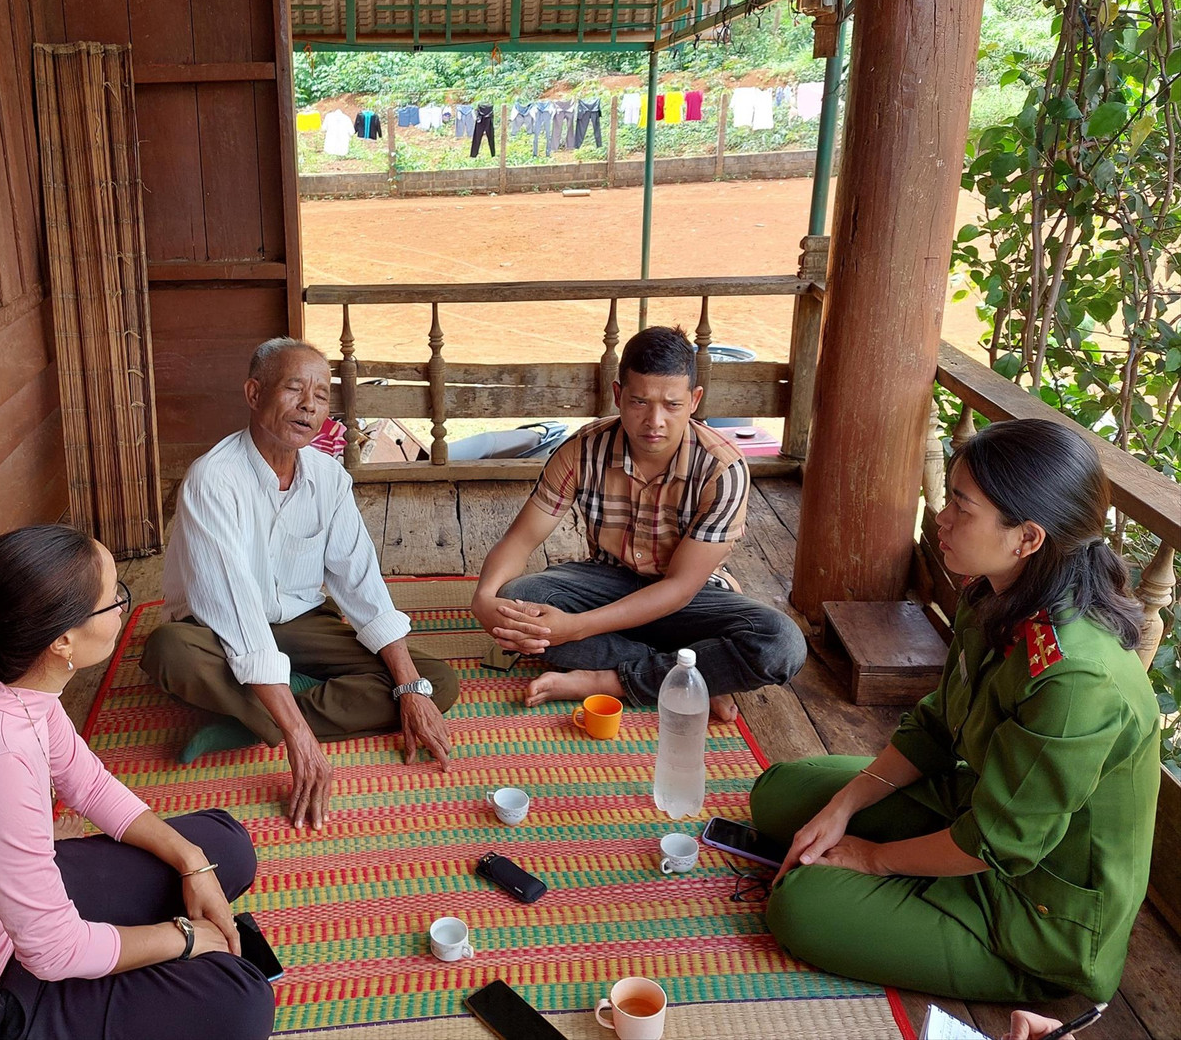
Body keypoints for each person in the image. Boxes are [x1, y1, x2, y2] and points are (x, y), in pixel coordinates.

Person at [750, 419, 1160, 1003]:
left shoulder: (1075, 681)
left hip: (1035, 913)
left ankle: (1004, 961)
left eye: (961, 508)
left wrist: (872, 860)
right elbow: (939, 725)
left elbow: (997, 845)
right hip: (971, 806)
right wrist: (843, 808)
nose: (939, 516)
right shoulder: (997, 594)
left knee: (801, 908)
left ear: (1028, 538)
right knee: (780, 795)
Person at [0, 525, 273, 1040]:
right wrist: (183, 938)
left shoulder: (14, 683)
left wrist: (190, 861)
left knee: (224, 845)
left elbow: (88, 786)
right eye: (115, 599)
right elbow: (53, 951)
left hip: (7, 915)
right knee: (241, 1003)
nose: (121, 611)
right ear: (62, 640)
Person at [142, 337, 459, 831]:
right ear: (253, 393)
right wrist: (297, 735)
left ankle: (243, 722)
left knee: (433, 681)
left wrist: (410, 686)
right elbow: (236, 611)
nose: (309, 405)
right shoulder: (213, 480)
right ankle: (284, 709)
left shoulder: (329, 478)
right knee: (168, 651)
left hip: (300, 619)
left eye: (321, 395)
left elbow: (361, 583)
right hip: (214, 629)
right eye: (294, 389)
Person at [470, 325, 807, 719]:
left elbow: (680, 588)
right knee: (518, 604)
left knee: (780, 642)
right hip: (608, 580)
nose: (655, 421)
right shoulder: (582, 450)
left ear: (695, 400)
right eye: (639, 402)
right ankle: (695, 674)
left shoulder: (723, 468)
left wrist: (576, 628)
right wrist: (485, 597)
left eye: (672, 405)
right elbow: (521, 540)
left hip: (689, 599)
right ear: (617, 396)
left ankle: (608, 680)